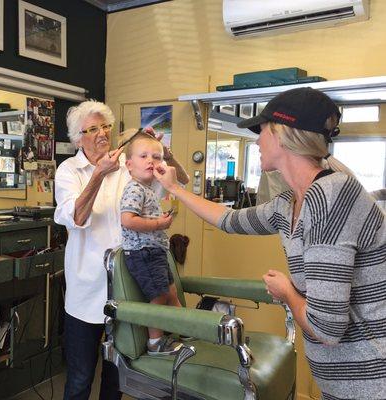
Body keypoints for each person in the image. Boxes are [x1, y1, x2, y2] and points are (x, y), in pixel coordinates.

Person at [153, 87, 386, 399]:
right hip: (343, 378)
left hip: (370, 377)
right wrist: (174, 188)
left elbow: (327, 330)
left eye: (260, 130)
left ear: (282, 134)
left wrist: (287, 292)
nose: (257, 140)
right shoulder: (289, 202)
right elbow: (228, 219)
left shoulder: (329, 198)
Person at [54, 100, 188, 400]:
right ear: (79, 137)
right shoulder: (69, 170)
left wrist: (161, 153)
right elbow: (76, 218)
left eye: (106, 126)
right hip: (86, 293)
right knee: (79, 379)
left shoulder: (128, 167)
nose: (102, 134)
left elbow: (178, 182)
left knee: (117, 379)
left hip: (127, 289)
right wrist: (99, 174)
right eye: (93, 129)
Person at [120, 133, 183, 355]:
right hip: (142, 253)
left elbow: (181, 180)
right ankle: (155, 342)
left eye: (156, 157)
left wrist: (159, 221)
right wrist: (158, 224)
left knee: (172, 294)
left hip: (156, 251)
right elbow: (127, 220)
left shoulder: (149, 188)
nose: (150, 161)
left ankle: (183, 329)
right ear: (129, 165)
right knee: (159, 297)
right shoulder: (135, 188)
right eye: (143, 156)